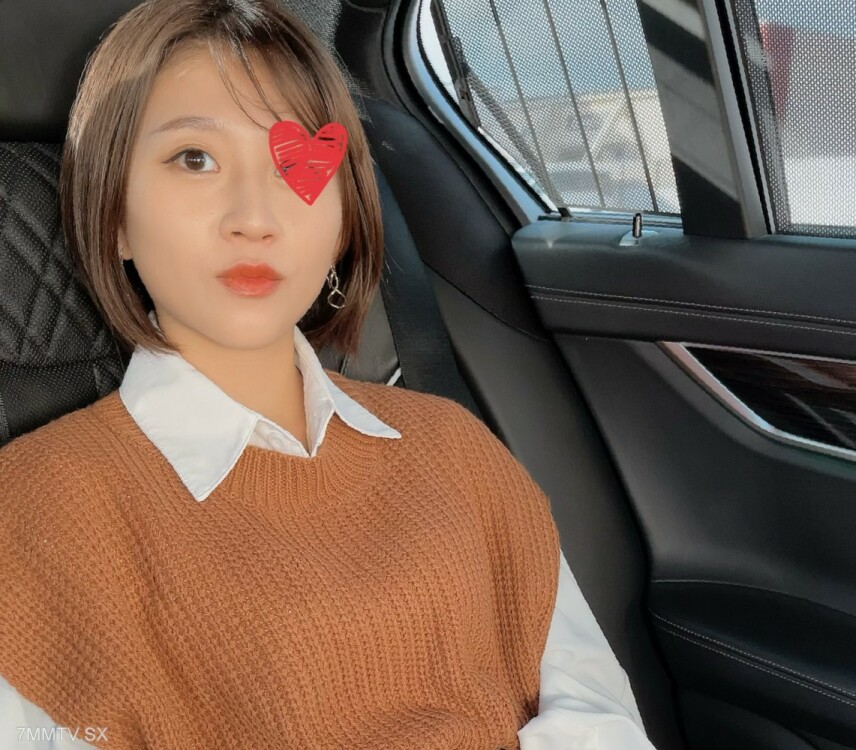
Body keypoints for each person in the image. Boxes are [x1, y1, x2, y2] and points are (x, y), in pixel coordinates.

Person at [0, 0, 656, 747]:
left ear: (342, 217)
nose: (255, 217)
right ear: (115, 213)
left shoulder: (457, 448)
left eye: (295, 163)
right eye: (194, 159)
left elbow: (595, 714)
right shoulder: (35, 518)